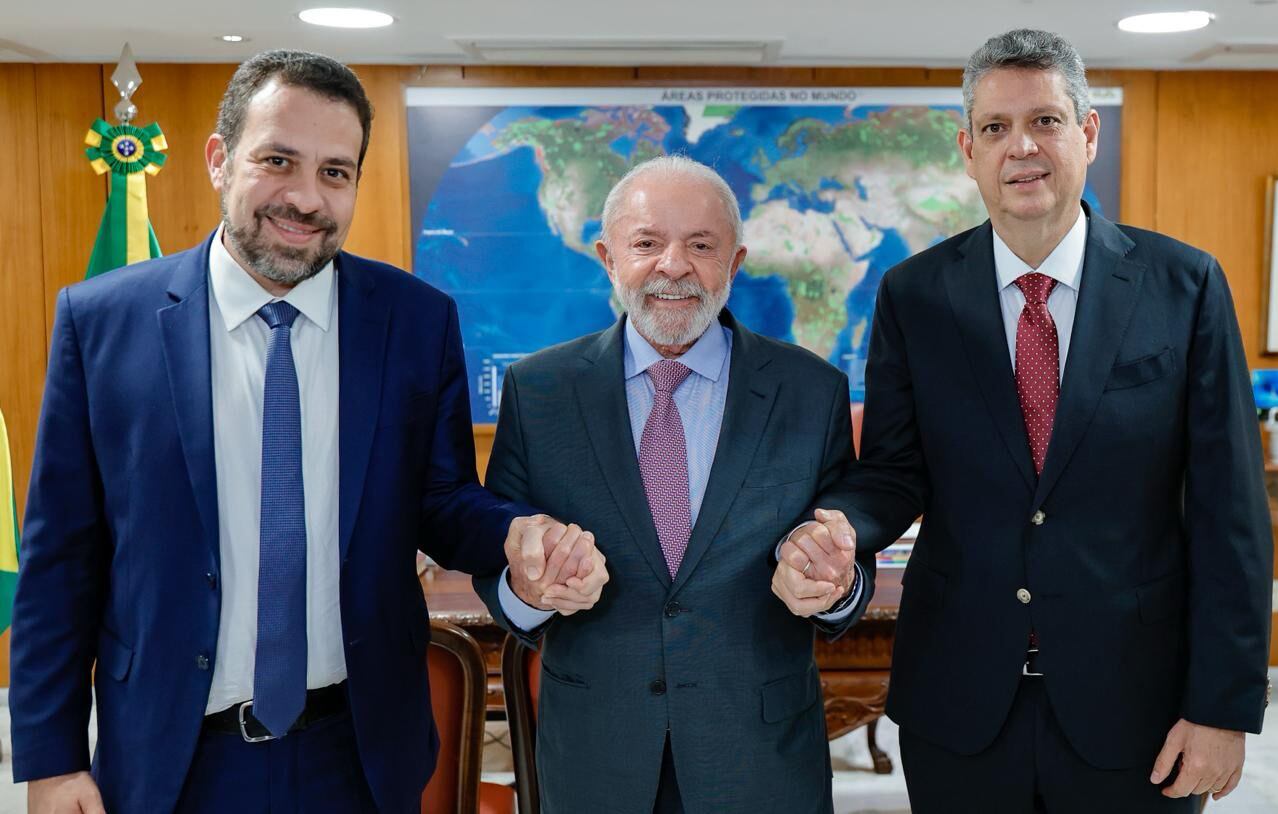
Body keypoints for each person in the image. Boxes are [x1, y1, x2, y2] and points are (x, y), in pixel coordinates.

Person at [10, 50, 605, 814]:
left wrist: (518, 536)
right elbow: (61, 560)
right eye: (278, 160)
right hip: (170, 758)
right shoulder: (101, 324)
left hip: (357, 757)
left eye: (335, 171)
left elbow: (443, 501)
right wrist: (52, 760)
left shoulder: (414, 323)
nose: (305, 197)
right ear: (219, 161)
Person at [843, 28, 1273, 812]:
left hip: (1137, 709)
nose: (1023, 149)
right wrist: (836, 529)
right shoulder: (914, 297)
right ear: (967, 148)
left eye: (1044, 120)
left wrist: (1222, 707)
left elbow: (1230, 514)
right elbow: (893, 474)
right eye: (998, 128)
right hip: (960, 706)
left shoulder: (1185, 285)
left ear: (1086, 131)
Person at [473, 155, 878, 814]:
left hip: (760, 758)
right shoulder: (539, 391)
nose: (673, 265)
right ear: (608, 257)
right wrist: (527, 588)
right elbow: (502, 573)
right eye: (646, 243)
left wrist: (834, 583)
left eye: (700, 245)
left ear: (736, 262)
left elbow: (843, 561)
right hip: (595, 757)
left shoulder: (811, 391)